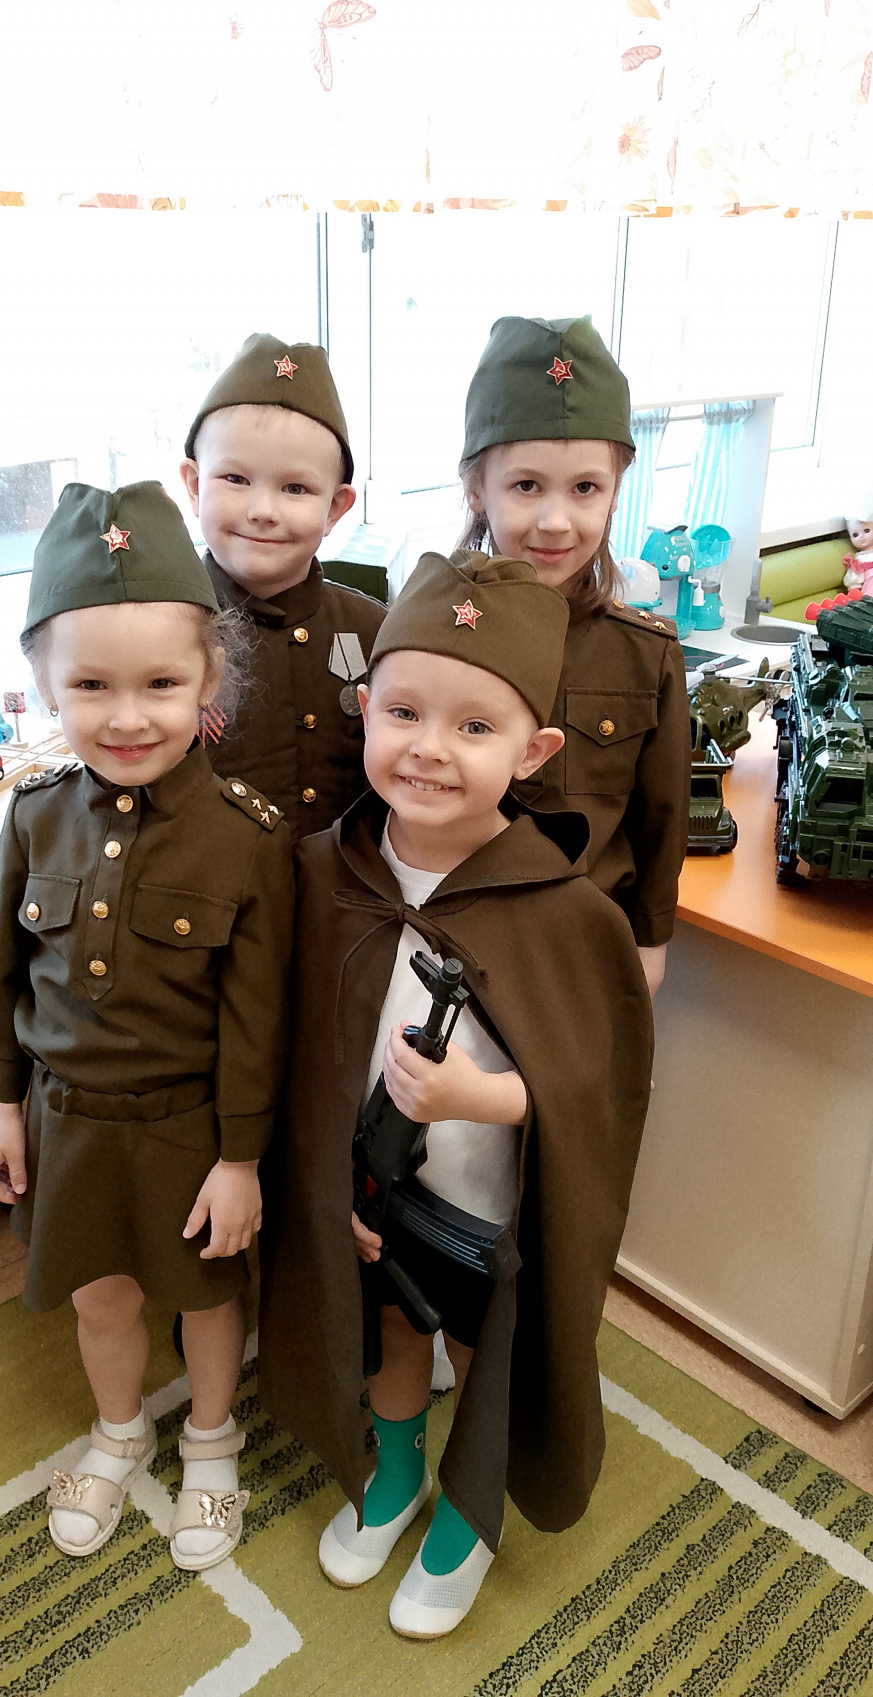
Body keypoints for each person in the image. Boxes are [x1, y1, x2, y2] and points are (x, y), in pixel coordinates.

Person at [259, 549, 654, 1638]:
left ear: (533, 752)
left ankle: (469, 1513)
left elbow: (598, 1091)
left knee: (480, 1353)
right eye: (404, 712)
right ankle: (393, 1471)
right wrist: (325, 1181)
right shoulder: (320, 873)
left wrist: (479, 1096)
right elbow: (298, 1054)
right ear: (365, 710)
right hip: (371, 1191)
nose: (429, 748)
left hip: (488, 1211)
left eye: (474, 727)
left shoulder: (568, 913)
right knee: (391, 1331)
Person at [0, 480, 294, 1568]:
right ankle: (119, 1430)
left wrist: (241, 1159)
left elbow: (258, 1020)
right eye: (90, 686)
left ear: (208, 681)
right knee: (100, 1297)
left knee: (205, 1296)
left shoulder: (248, 837)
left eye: (160, 683)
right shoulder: (33, 815)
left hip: (191, 1128)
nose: (126, 716)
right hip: (67, 1121)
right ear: (45, 688)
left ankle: (210, 1438)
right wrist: (3, 1106)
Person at [456, 315, 691, 997]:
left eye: (585, 489)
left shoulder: (645, 655)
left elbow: (662, 822)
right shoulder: (431, 638)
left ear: (615, 491)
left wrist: (650, 944)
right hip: (451, 947)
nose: (556, 522)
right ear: (477, 489)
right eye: (526, 486)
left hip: (584, 959)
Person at [181, 333, 388, 840]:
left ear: (335, 508)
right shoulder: (162, 632)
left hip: (351, 886)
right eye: (235, 479)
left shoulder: (380, 633)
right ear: (194, 486)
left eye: (295, 488)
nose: (263, 510)